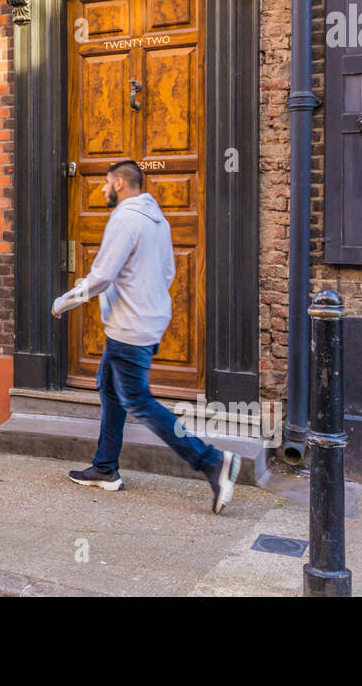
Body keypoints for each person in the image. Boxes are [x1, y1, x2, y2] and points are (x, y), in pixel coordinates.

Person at [51, 159, 241, 514]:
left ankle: (212, 461)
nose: (103, 189)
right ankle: (105, 468)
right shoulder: (159, 220)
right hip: (146, 322)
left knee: (138, 401)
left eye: (107, 183)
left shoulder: (124, 219)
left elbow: (102, 276)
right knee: (109, 388)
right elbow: (168, 271)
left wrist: (63, 302)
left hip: (129, 328)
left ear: (121, 183)